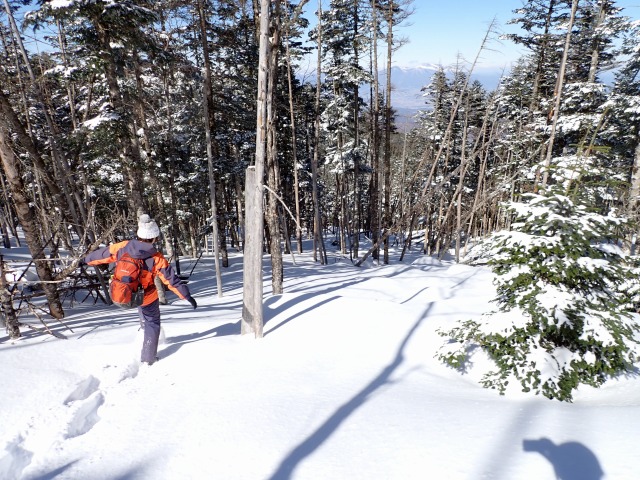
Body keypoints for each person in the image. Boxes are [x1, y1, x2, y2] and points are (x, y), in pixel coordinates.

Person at [83, 214, 197, 365]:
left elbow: (102, 255)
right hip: (146, 296)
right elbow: (171, 280)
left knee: (142, 311)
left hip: (123, 293)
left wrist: (85, 260)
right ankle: (148, 358)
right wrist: (187, 296)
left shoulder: (123, 246)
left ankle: (142, 330)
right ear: (154, 238)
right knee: (152, 323)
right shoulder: (156, 258)